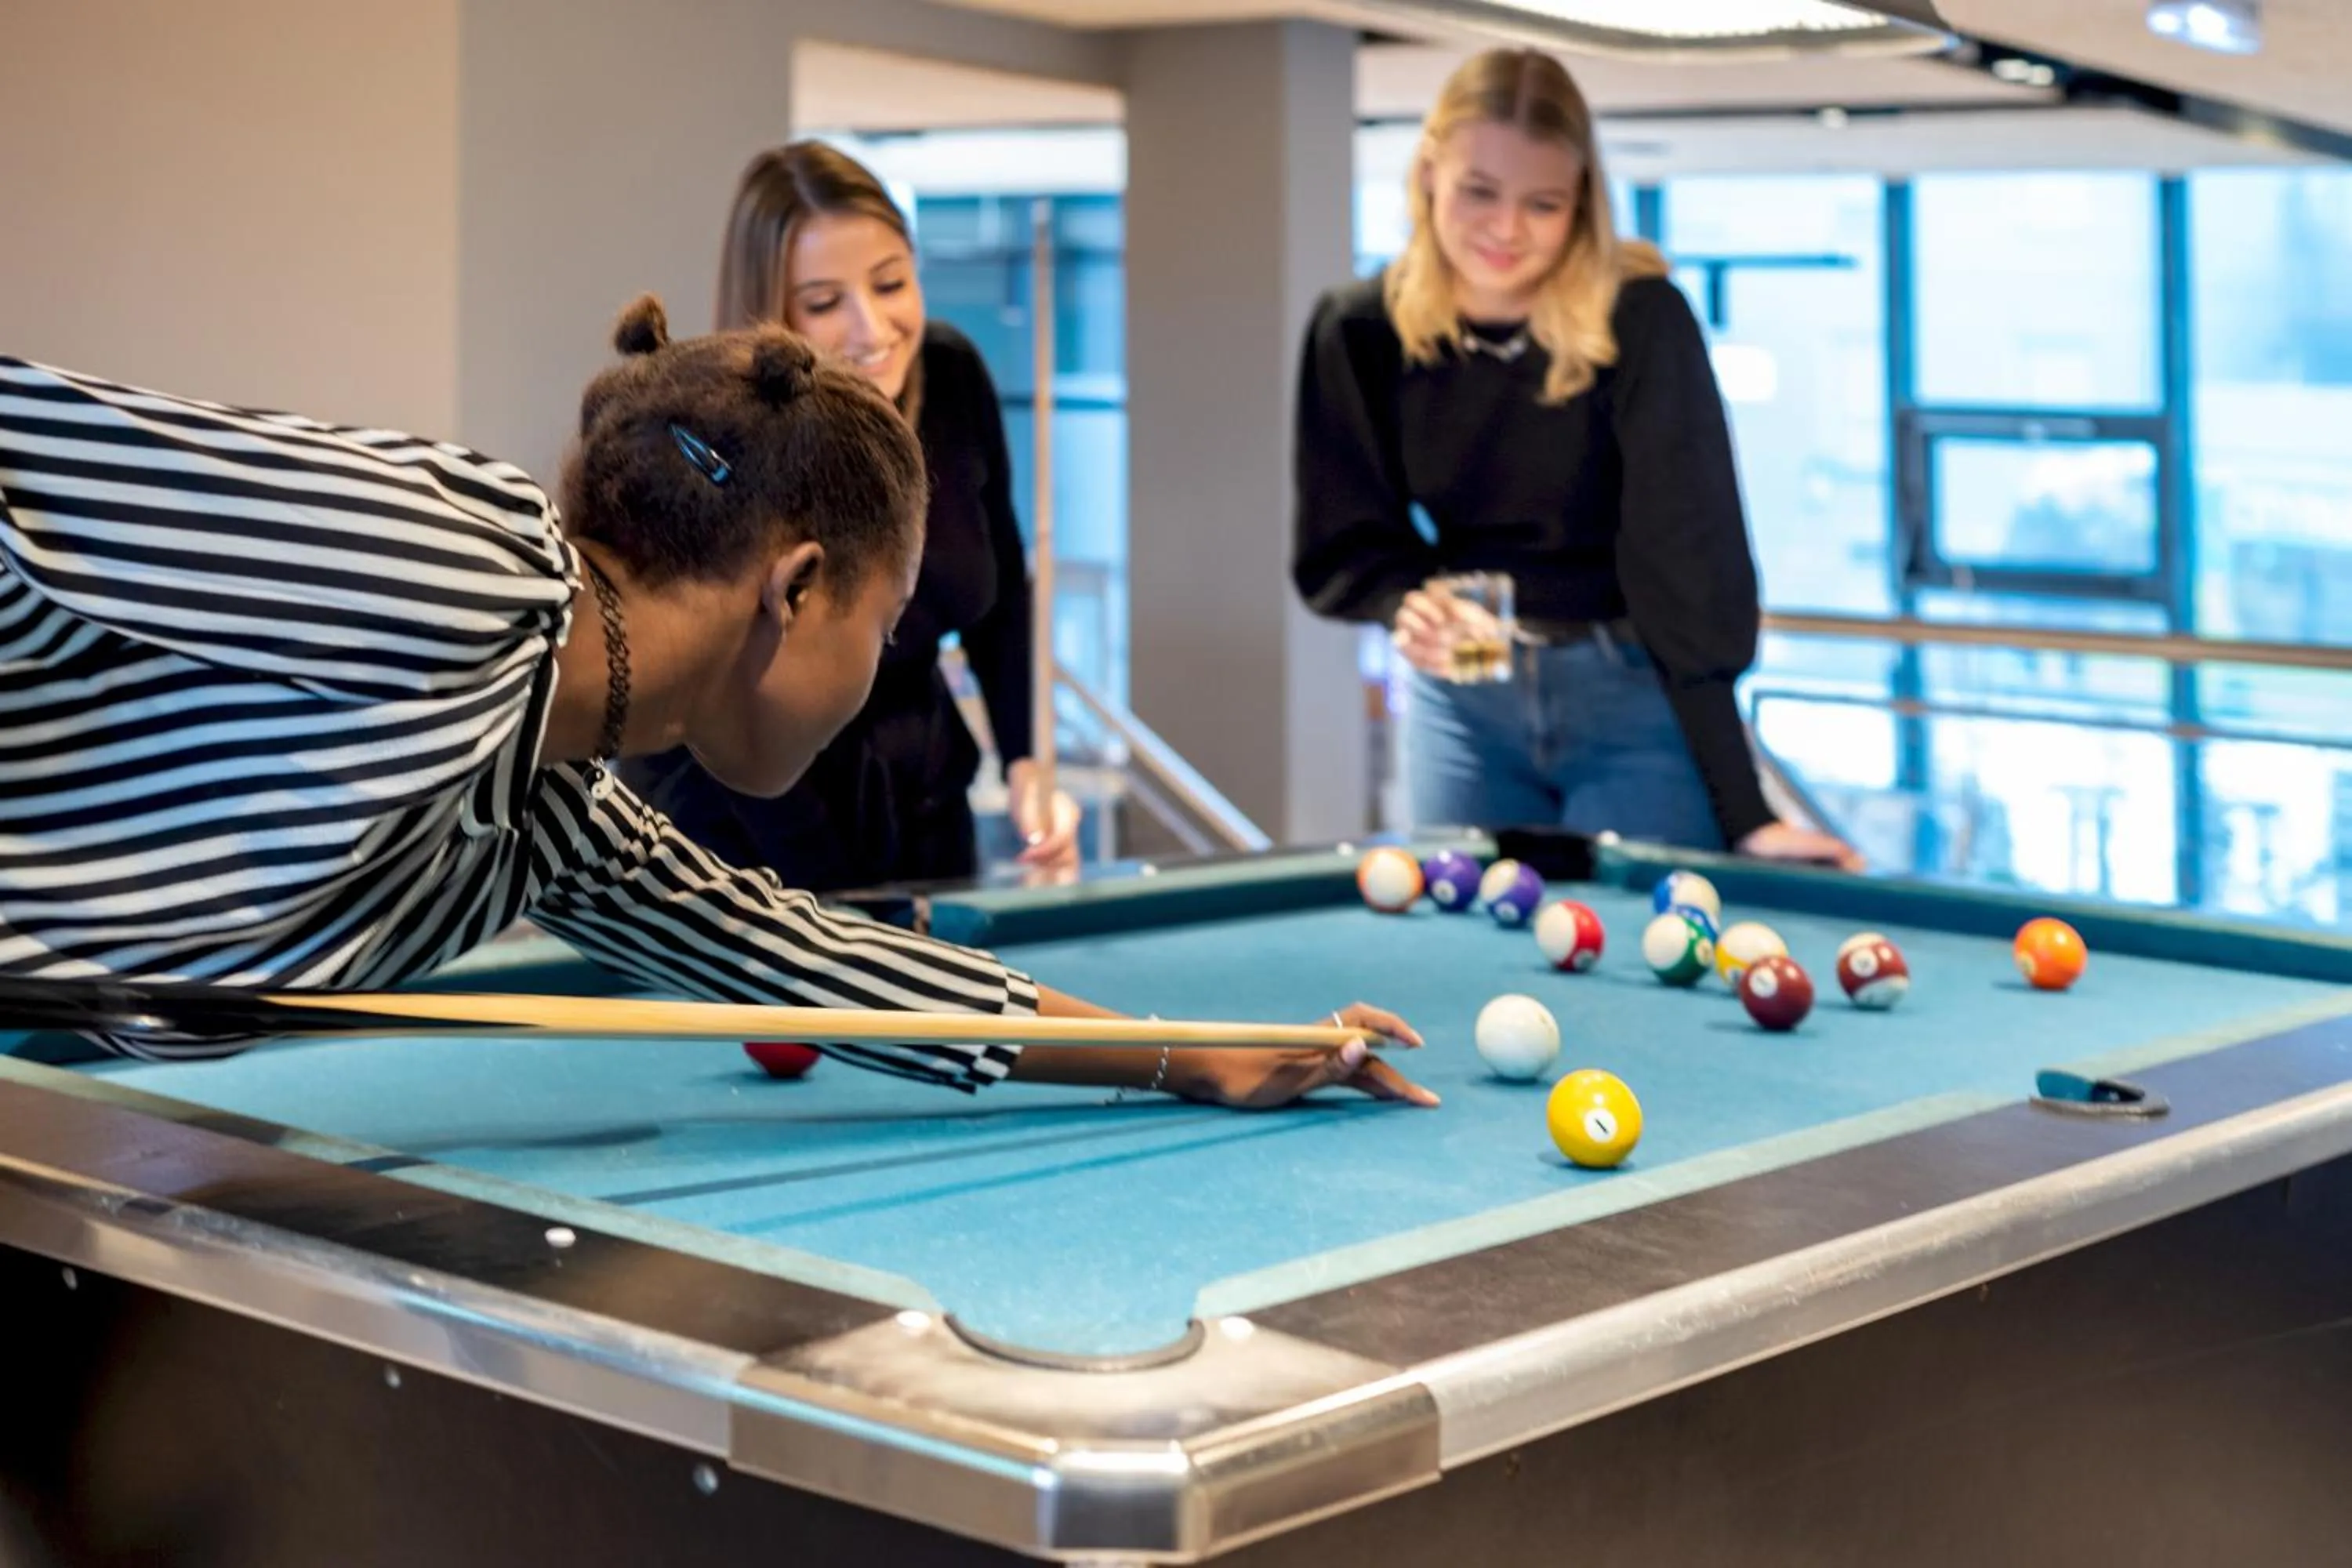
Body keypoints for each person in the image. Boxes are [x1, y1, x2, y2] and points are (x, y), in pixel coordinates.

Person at [0, 300, 1432, 1109]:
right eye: (887, 620)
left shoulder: (547, 813)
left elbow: (803, 959)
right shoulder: (462, 565)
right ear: (797, 589)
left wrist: (1173, 1054)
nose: (883, 666)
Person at [1292, 48, 1860, 871]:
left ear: (1582, 203)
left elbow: (1690, 567)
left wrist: (1744, 809)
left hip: (1630, 693)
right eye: (1478, 191)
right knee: (1464, 955)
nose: (1506, 229)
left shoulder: (1642, 319)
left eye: (1544, 203)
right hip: (1463, 698)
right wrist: (1408, 601)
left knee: (1649, 958)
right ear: (1426, 176)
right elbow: (1341, 542)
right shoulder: (1358, 328)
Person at [623, 142, 1079, 895]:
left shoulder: (953, 375)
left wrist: (1029, 763)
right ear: (773, 310)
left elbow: (1003, 589)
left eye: (891, 283)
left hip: (923, 801)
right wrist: (840, 919)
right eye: (827, 302)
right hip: (738, 830)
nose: (872, 329)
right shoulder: (719, 434)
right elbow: (717, 702)